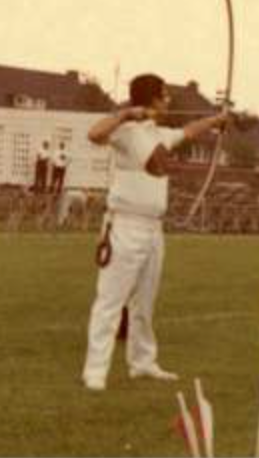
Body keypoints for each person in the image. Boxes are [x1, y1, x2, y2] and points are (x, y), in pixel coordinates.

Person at [82, 73, 228, 391]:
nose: (169, 101)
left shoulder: (158, 133)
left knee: (144, 302)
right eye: (164, 95)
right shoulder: (125, 131)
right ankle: (95, 371)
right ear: (151, 99)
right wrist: (125, 113)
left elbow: (188, 131)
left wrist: (216, 120)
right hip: (125, 225)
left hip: (152, 228)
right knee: (111, 300)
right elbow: (94, 134)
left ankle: (143, 362)